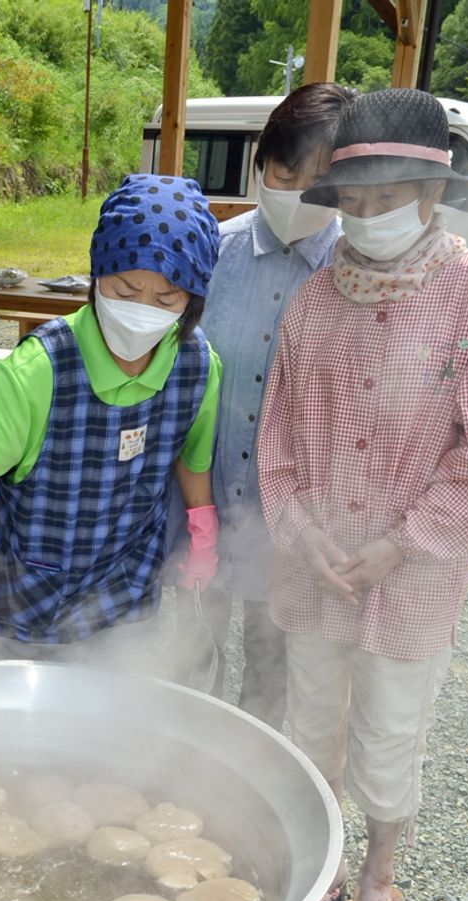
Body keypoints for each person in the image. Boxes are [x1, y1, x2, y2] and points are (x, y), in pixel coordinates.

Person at [257, 88, 468, 901]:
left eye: (387, 200)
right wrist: (299, 526)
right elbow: (279, 440)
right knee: (312, 718)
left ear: (433, 198)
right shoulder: (314, 304)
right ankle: (323, 864)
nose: (367, 219)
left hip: (413, 575)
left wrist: (400, 542)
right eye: (354, 202)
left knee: (390, 727)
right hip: (315, 564)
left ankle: (377, 869)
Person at [0, 174, 222, 663]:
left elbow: (191, 459)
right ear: (97, 274)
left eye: (166, 300)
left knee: (108, 731)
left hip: (124, 599)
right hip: (23, 609)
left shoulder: (198, 366)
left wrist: (204, 532)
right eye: (126, 288)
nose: (141, 312)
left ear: (193, 301)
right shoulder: (37, 373)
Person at [171, 82, 354, 722]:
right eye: (285, 170)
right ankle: (182, 772)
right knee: (191, 659)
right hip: (202, 504)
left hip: (295, 527)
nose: (299, 192)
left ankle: (248, 793)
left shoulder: (353, 275)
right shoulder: (212, 256)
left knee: (270, 679)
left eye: (321, 179)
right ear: (260, 164)